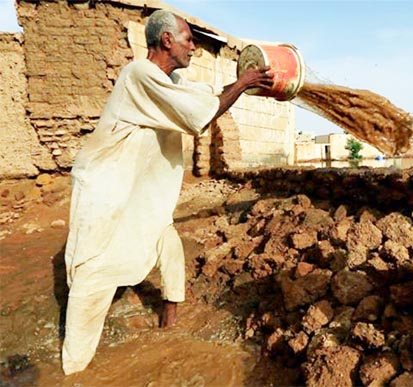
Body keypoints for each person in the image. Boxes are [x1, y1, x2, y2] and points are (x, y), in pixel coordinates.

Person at [61, 9, 273, 375]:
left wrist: (243, 81)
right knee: (92, 274)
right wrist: (243, 84)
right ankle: (74, 368)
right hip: (107, 192)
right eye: (189, 39)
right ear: (166, 40)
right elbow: (200, 117)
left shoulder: (169, 81)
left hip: (137, 194)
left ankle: (169, 320)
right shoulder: (139, 74)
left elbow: (206, 100)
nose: (193, 47)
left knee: (165, 239)